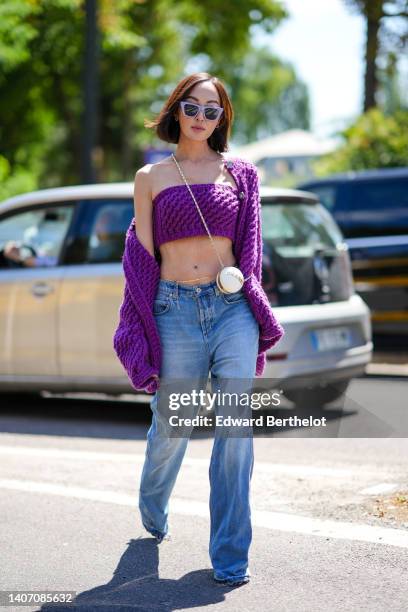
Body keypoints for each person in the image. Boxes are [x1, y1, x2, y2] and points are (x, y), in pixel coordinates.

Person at [114, 71, 284, 588]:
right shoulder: (150, 177)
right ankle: (152, 499)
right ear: (176, 110)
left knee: (235, 431)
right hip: (174, 308)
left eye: (213, 111)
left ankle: (230, 556)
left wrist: (253, 304)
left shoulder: (242, 174)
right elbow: (141, 260)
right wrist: (140, 327)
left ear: (222, 119)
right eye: (193, 107)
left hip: (231, 308)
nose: (201, 118)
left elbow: (250, 252)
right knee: (173, 425)